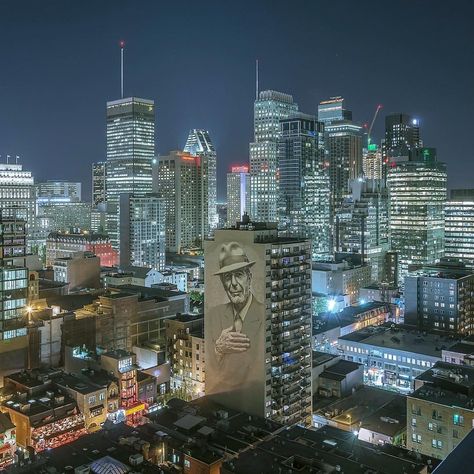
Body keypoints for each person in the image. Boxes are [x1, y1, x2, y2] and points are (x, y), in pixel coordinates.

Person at [206, 241, 265, 411]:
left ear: (249, 277)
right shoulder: (213, 316)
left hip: (253, 404)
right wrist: (218, 349)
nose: (233, 283)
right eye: (227, 277)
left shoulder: (264, 313)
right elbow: (210, 365)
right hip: (223, 404)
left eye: (238, 274)